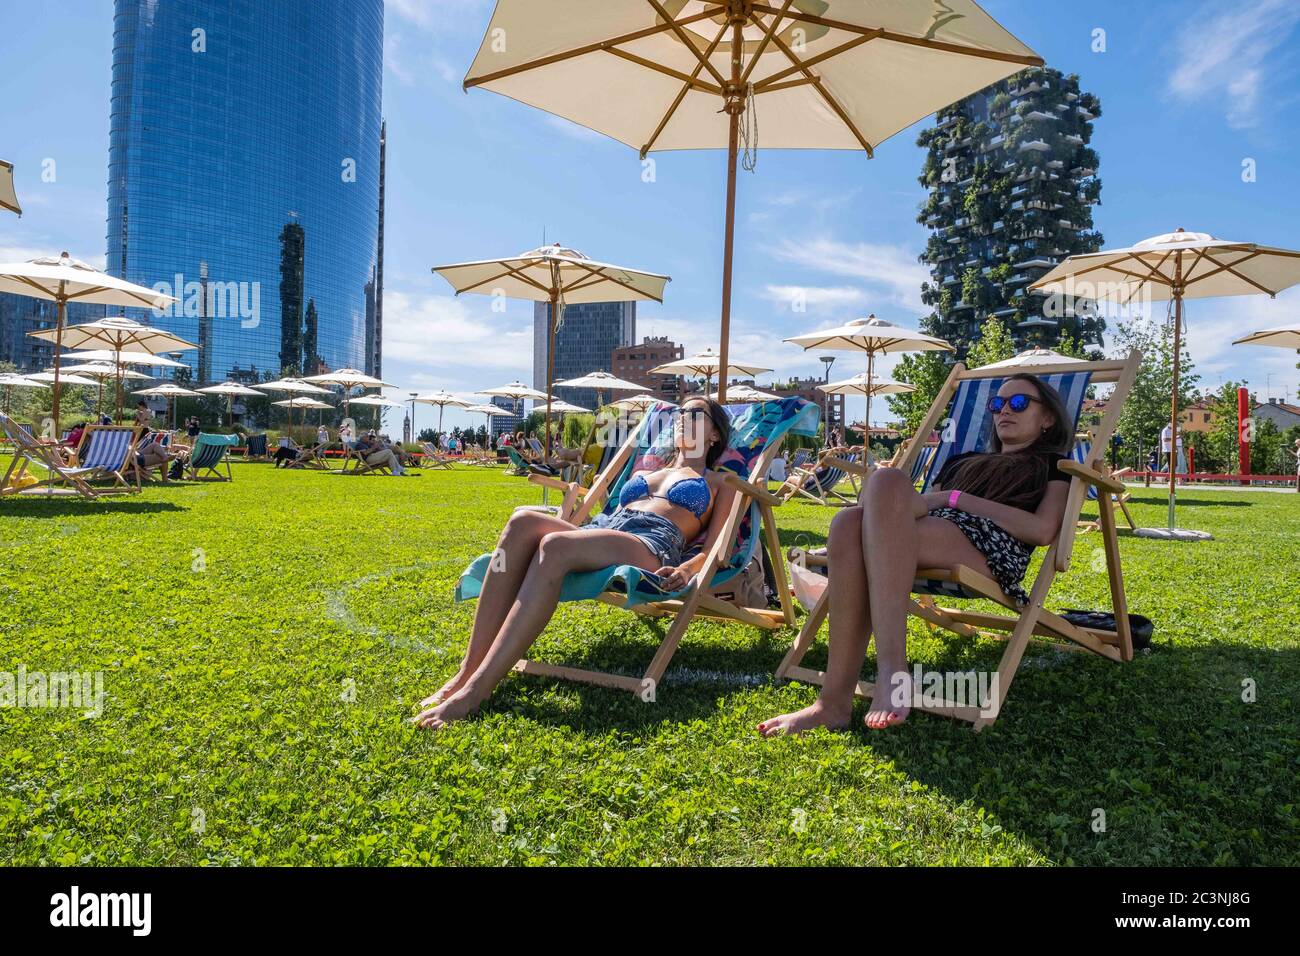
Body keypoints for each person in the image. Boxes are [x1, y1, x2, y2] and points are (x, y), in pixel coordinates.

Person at [759, 373, 1073, 734]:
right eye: (997, 403)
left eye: (1018, 403)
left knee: (880, 489)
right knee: (850, 519)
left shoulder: (1054, 468)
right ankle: (832, 704)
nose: (1004, 410)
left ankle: (892, 670)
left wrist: (960, 500)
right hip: (923, 532)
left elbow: (1043, 530)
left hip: (989, 546)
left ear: (1047, 417)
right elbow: (917, 506)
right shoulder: (962, 460)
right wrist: (931, 499)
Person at [415, 397, 736, 731]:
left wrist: (686, 570)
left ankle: (476, 691)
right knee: (522, 520)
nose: (684, 418)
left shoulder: (720, 483)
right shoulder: (650, 469)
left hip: (650, 542)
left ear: (715, 434)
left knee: (554, 545)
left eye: (696, 414)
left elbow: (716, 549)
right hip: (606, 529)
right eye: (681, 412)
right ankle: (467, 671)